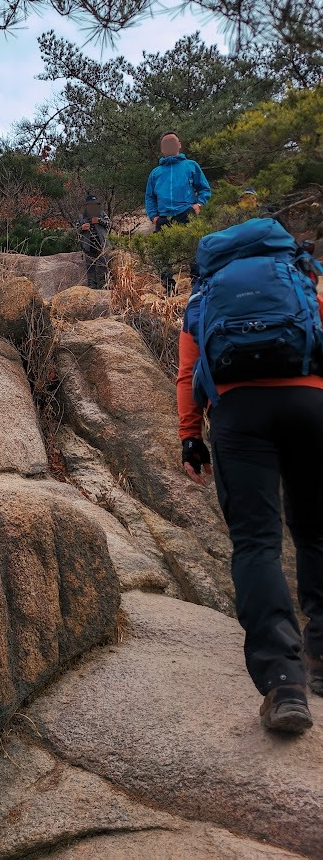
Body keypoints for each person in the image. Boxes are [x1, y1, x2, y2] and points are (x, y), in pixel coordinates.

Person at [178, 218, 323, 734]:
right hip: (311, 405)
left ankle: (284, 684)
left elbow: (187, 370)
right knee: (316, 532)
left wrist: (190, 436)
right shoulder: (300, 277)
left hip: (239, 416)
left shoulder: (205, 295)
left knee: (257, 543)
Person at [146, 131, 211, 294]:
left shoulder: (191, 166)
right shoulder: (155, 173)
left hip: (186, 213)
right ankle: (169, 289)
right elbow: (149, 196)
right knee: (162, 255)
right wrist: (153, 216)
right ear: (162, 149)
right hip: (163, 217)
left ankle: (198, 287)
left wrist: (199, 205)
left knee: (194, 250)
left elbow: (204, 189)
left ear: (179, 145)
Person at [76, 195, 111, 289]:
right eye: (90, 205)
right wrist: (82, 228)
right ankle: (92, 286)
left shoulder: (102, 214)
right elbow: (77, 230)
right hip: (88, 246)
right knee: (90, 266)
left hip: (102, 244)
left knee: (103, 265)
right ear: (87, 206)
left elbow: (109, 224)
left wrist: (99, 221)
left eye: (94, 205)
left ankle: (104, 285)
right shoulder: (81, 217)